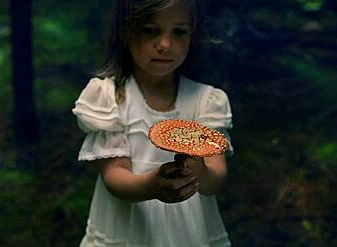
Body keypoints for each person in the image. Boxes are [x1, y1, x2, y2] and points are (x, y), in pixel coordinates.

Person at [72, 0, 233, 246]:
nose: (165, 45)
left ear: (193, 34)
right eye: (150, 30)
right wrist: (151, 186)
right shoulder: (109, 97)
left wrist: (198, 172)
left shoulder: (206, 101)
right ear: (126, 31)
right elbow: (114, 175)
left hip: (188, 231)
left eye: (179, 32)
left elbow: (216, 178)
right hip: (127, 225)